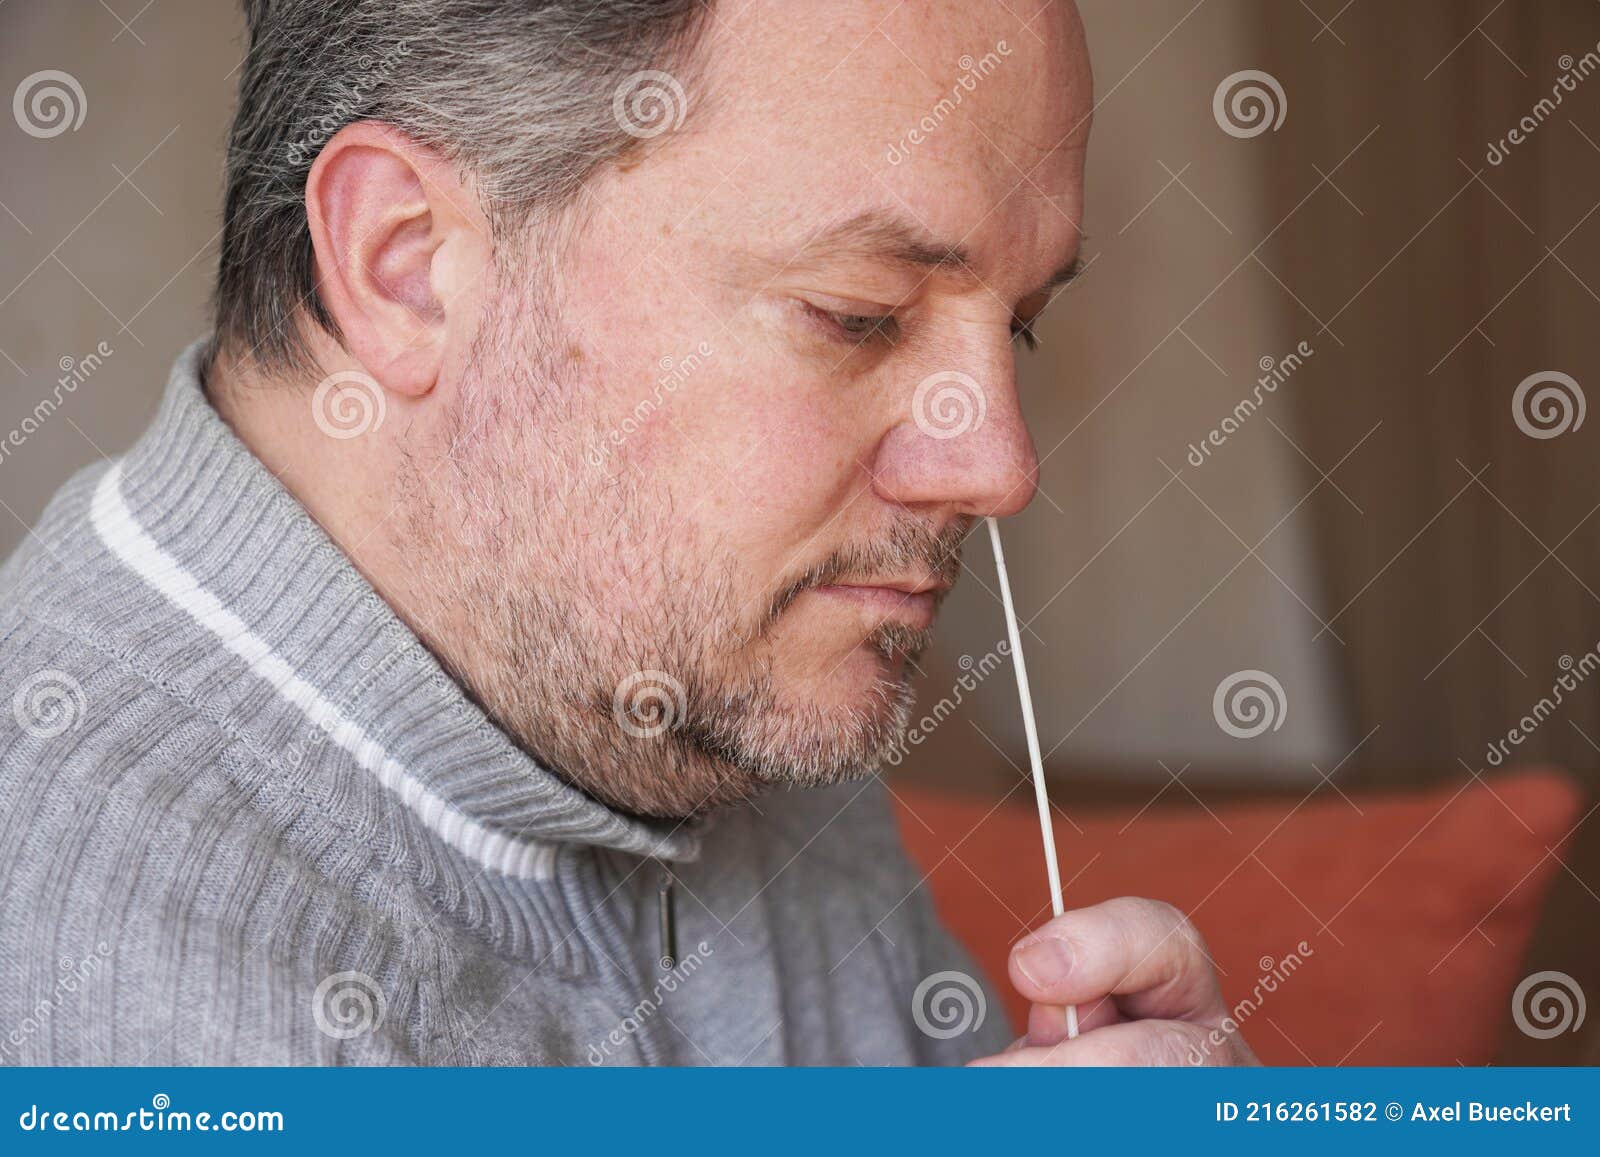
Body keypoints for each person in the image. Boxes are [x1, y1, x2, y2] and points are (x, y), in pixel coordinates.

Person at [0, 0, 1253, 1066]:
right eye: (856, 314)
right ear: (407, 264)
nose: (998, 463)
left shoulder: (697, 659)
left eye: (1018, 323)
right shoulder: (98, 970)